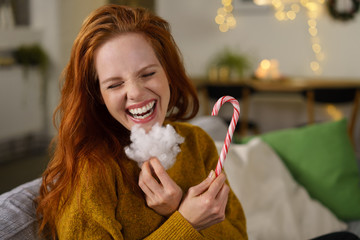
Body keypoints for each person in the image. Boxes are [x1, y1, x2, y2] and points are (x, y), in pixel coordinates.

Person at [36, 4, 247, 240]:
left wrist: (176, 208)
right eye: (114, 84)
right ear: (99, 96)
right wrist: (184, 221)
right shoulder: (93, 170)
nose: (135, 93)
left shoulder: (198, 143)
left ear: (168, 73)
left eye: (147, 74)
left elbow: (239, 235)